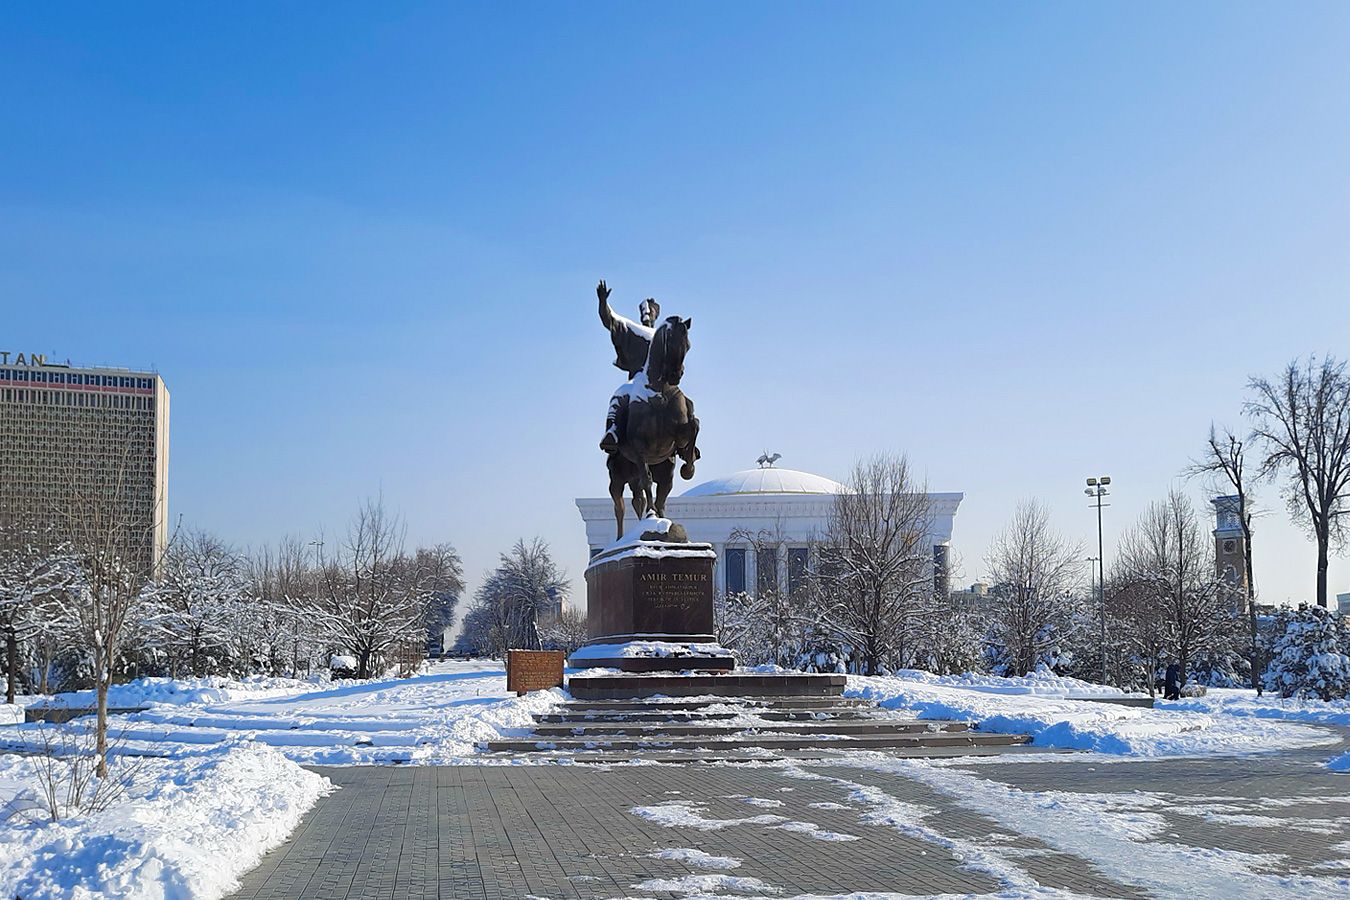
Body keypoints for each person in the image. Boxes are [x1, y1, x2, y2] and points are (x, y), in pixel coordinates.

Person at [596, 279, 659, 451]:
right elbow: (610, 320)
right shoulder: (634, 331)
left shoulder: (662, 338)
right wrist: (603, 302)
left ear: (655, 315)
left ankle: (688, 447)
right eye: (646, 313)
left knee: (686, 407)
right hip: (638, 382)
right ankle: (613, 432)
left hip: (659, 384)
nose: (647, 316)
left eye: (650, 313)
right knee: (619, 397)